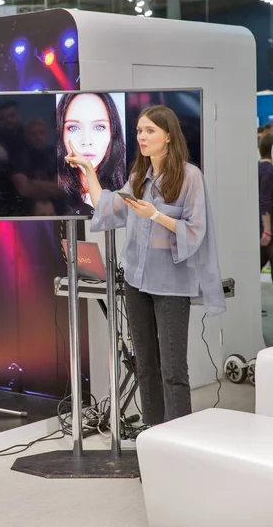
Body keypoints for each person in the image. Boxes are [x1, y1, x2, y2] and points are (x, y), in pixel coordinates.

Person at [65, 105, 226, 426]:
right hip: (137, 284)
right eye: (139, 130)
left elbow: (195, 231)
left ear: (168, 136)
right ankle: (154, 435)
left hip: (171, 286)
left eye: (150, 130)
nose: (142, 136)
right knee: (146, 367)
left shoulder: (191, 177)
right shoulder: (139, 177)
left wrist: (154, 214)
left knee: (173, 370)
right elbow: (107, 206)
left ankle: (179, 441)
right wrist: (88, 170)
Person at [57, 92, 125, 213]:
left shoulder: (128, 187)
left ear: (112, 132)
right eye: (73, 127)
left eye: (99, 127)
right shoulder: (53, 194)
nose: (86, 141)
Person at [258, 133, 273, 316]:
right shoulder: (269, 171)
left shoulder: (258, 168)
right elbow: (265, 201)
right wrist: (267, 230)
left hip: (260, 227)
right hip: (267, 230)